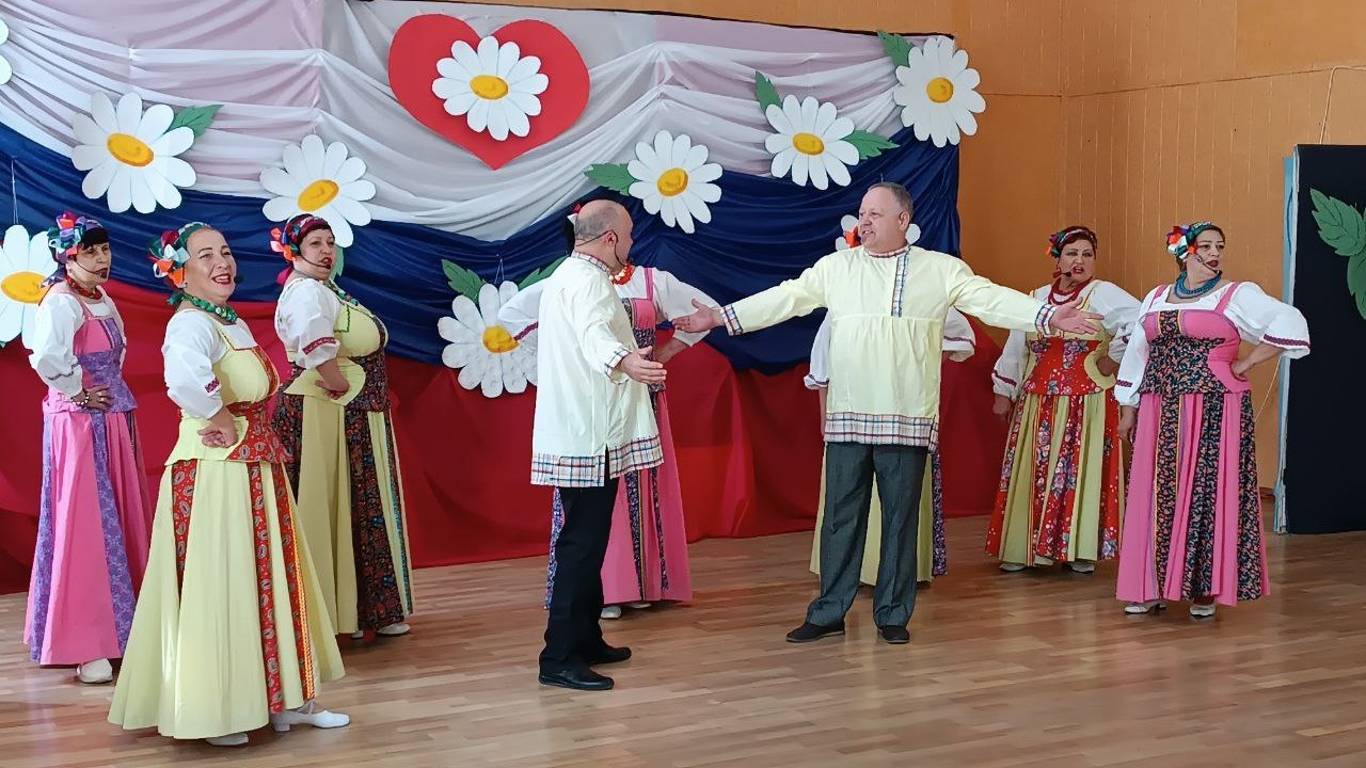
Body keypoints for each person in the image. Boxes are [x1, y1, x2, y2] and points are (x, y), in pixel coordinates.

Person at [674, 182, 1100, 645]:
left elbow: (990, 298)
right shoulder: (836, 268)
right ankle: (828, 611)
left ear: (903, 220)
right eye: (862, 213)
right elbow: (785, 297)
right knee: (840, 517)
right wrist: (719, 317)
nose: (865, 221)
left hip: (906, 414)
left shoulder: (940, 270)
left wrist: (1047, 316)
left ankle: (893, 613)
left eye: (875, 214)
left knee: (899, 518)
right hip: (849, 414)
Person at [109, 223, 348, 746]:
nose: (222, 263)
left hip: (253, 464)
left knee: (270, 579)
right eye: (205, 255)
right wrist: (218, 416)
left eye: (225, 252)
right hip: (216, 469)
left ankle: (285, 699)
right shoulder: (189, 323)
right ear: (180, 270)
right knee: (223, 584)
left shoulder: (226, 319)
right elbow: (184, 379)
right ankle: (216, 709)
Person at [500, 250, 717, 620]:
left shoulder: (652, 281)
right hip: (592, 401)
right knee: (596, 498)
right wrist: (566, 357)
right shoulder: (574, 280)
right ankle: (603, 592)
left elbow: (706, 311)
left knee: (642, 486)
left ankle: (644, 585)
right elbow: (512, 315)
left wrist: (665, 352)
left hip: (642, 398)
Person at [1114, 222, 1309, 618]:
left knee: (1205, 491)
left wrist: (1248, 362)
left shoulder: (1236, 295)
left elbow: (1290, 320)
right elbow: (1137, 352)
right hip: (1158, 406)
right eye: (1205, 246)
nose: (1215, 253)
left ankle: (1202, 588)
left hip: (1215, 406)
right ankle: (1149, 586)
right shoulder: (1156, 297)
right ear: (1185, 252)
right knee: (1153, 491)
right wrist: (1127, 406)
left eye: (1220, 246)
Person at [532, 200, 665, 691]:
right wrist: (625, 362)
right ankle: (559, 657)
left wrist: (625, 356)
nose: (630, 244)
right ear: (609, 238)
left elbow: (589, 337)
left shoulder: (570, 275)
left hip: (583, 428)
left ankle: (585, 638)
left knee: (588, 541)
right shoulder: (587, 281)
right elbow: (593, 336)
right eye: (627, 236)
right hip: (589, 434)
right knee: (581, 545)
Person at [271, 214, 414, 641]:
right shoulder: (306, 292)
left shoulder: (324, 288)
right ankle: (342, 613)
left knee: (356, 506)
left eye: (330, 242)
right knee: (340, 504)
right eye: (315, 243)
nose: (326, 251)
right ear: (294, 250)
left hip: (350, 411)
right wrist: (338, 383)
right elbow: (316, 346)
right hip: (331, 413)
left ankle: (361, 610)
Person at [24, 211, 152, 684]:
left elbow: (115, 357)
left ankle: (127, 628)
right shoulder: (61, 302)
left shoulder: (100, 299)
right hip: (79, 425)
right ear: (68, 258)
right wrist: (77, 391)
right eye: (90, 251)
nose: (102, 258)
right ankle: (86, 641)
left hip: (111, 419)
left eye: (105, 249)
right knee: (84, 525)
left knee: (116, 518)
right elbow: (47, 357)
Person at [985, 226, 1140, 574]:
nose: (1079, 261)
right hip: (1037, 400)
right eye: (1072, 253)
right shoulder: (1036, 298)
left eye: (1087, 254)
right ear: (1057, 259)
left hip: (1087, 401)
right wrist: (1003, 392)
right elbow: (1016, 347)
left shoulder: (1104, 294)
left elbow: (1140, 322)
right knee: (1033, 469)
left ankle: (1079, 549)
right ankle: (1025, 548)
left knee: (1081, 470)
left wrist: (1110, 360)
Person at [806, 308, 976, 587]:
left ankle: (898, 575)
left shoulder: (920, 294)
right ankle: (848, 572)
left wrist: (920, 368)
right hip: (852, 413)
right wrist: (826, 414)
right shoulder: (846, 296)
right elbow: (824, 356)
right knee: (848, 498)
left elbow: (959, 332)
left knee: (901, 499)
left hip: (903, 414)